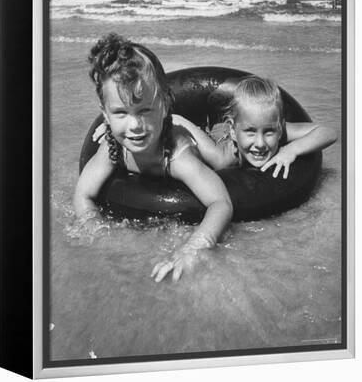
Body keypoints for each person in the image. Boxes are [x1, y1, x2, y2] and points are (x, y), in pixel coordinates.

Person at [74, 33, 234, 283]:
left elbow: (221, 203)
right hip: (163, 125)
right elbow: (83, 192)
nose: (135, 125)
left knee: (222, 161)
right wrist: (90, 224)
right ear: (105, 114)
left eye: (145, 110)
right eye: (120, 112)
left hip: (183, 136)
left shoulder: (178, 157)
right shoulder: (113, 147)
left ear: (164, 104)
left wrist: (192, 249)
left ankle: (185, 122)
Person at [171, 75, 337, 179]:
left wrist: (291, 150)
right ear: (234, 132)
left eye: (269, 132)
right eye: (251, 132)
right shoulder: (223, 158)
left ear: (279, 129)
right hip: (215, 136)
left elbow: (329, 133)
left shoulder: (280, 130)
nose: (260, 143)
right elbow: (180, 121)